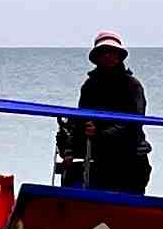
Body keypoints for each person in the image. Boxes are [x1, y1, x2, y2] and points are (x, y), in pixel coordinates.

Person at [56, 30, 152, 193]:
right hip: (98, 159)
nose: (108, 56)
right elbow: (80, 121)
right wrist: (69, 151)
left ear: (120, 56)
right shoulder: (89, 86)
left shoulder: (132, 86)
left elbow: (133, 124)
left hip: (130, 159)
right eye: (103, 52)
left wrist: (100, 133)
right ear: (97, 57)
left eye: (112, 52)